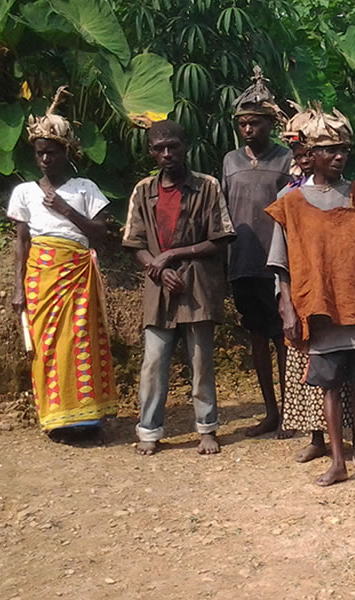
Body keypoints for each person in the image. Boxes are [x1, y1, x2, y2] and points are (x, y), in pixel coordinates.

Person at [265, 107, 355, 487]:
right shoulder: (290, 204)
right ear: (312, 154)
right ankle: (337, 460)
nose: (339, 156)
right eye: (331, 150)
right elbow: (280, 263)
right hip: (315, 308)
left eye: (344, 150)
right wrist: (286, 306)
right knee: (330, 386)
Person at [7, 86, 117, 440]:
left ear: (66, 152)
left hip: (77, 274)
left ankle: (89, 420)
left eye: (52, 153)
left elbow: (101, 233)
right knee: (49, 346)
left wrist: (66, 209)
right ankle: (56, 420)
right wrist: (18, 288)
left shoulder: (84, 188)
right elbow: (22, 243)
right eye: (40, 154)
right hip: (42, 275)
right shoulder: (24, 192)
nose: (45, 160)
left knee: (81, 341)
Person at [122, 120, 236, 455]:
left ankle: (206, 428)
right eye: (160, 148)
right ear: (151, 151)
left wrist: (171, 255)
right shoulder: (144, 190)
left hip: (198, 283)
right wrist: (156, 268)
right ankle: (149, 431)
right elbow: (134, 242)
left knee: (201, 360)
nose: (167, 153)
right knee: (154, 360)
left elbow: (221, 238)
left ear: (186, 146)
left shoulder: (208, 186)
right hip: (159, 288)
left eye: (173, 146)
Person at [222, 67, 293, 438]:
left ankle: (291, 411)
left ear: (270, 124)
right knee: (257, 337)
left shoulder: (286, 160)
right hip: (243, 261)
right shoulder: (230, 161)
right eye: (244, 124)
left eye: (256, 123)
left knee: (283, 336)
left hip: (277, 260)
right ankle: (269, 410)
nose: (249, 130)